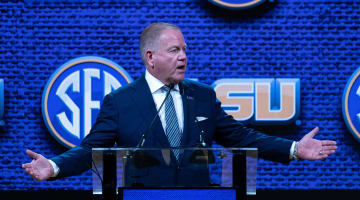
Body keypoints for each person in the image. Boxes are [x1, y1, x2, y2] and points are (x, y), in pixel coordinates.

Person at [22, 22, 337, 183]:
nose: (184, 56)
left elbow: (241, 138)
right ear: (151, 57)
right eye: (174, 50)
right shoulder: (120, 102)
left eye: (185, 49)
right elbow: (91, 149)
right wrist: (55, 165)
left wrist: (294, 149)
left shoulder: (201, 95)